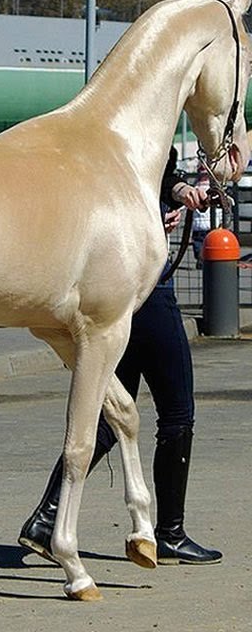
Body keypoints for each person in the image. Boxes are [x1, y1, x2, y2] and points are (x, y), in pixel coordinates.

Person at [18, 147, 222, 565]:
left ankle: (46, 517)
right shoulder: (138, 132)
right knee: (178, 413)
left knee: (111, 411)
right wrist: (159, 210)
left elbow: (155, 178)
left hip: (115, 294)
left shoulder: (111, 136)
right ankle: (170, 533)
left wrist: (176, 193)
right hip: (144, 289)